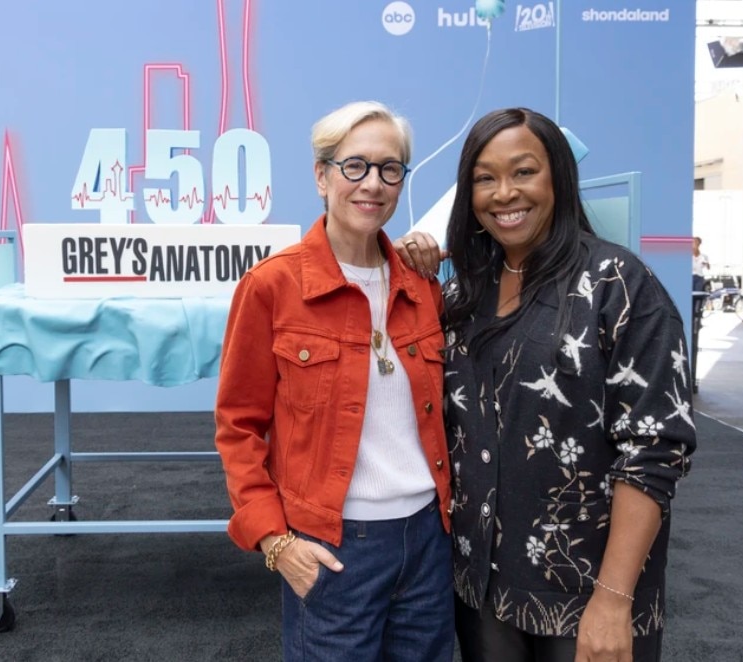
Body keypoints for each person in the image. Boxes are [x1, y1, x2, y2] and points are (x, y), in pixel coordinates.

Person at [396, 107, 696, 662]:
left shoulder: (620, 286)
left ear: (558, 175)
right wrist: (418, 261)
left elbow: (654, 451)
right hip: (480, 588)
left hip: (586, 595)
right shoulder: (463, 297)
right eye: (485, 178)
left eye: (524, 172)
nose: (504, 193)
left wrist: (612, 601)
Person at [213, 100, 454, 661]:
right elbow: (237, 427)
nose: (373, 183)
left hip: (428, 540)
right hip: (335, 546)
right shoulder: (271, 286)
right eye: (355, 166)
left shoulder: (423, 286)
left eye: (390, 168)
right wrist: (276, 542)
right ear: (322, 175)